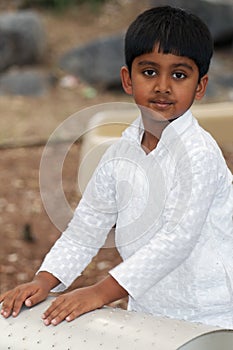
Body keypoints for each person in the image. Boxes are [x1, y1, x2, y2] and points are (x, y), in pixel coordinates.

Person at [1, 6, 233, 329]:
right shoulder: (119, 154)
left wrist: (99, 292)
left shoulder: (200, 154)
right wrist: (45, 281)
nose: (163, 86)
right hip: (147, 310)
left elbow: (176, 241)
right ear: (127, 79)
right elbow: (85, 228)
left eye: (179, 75)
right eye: (149, 72)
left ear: (201, 86)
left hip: (213, 315)